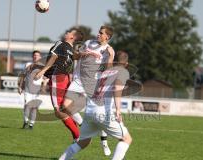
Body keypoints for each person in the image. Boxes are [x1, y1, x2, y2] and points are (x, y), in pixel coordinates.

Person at [59, 50, 133, 160]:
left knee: (83, 142)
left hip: (89, 111)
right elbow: (117, 90)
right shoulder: (121, 72)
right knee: (126, 139)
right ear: (126, 64)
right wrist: (118, 110)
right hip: (102, 112)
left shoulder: (103, 72)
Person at [60, 25, 115, 155]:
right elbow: (75, 56)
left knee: (98, 115)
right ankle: (82, 124)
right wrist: (81, 54)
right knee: (65, 106)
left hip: (92, 84)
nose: (98, 34)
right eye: (98, 32)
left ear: (107, 37)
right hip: (78, 80)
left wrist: (111, 57)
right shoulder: (89, 43)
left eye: (101, 33)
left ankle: (104, 142)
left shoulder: (108, 50)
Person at [34, 28, 84, 141]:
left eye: (69, 32)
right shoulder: (71, 50)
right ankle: (80, 131)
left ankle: (78, 135)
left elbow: (54, 57)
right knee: (65, 108)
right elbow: (75, 57)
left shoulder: (61, 44)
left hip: (58, 78)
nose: (66, 32)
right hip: (65, 78)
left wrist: (42, 71)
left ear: (73, 37)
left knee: (59, 111)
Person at [18, 50, 47, 129]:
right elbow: (23, 75)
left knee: (34, 108)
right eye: (34, 55)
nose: (35, 56)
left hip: (37, 91)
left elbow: (46, 78)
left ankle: (31, 124)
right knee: (27, 106)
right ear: (32, 56)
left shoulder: (43, 66)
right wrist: (20, 86)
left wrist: (44, 85)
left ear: (40, 57)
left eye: (37, 55)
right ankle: (25, 121)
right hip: (28, 89)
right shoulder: (28, 64)